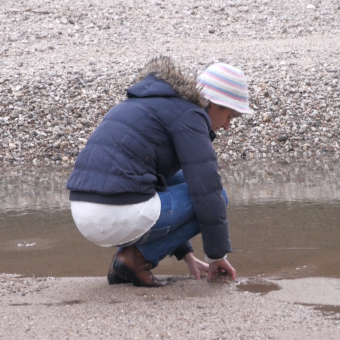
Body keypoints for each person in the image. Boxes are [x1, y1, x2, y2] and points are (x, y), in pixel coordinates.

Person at [66, 56, 252, 287]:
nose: (227, 126)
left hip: (82, 212)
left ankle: (128, 262)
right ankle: (132, 260)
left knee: (182, 179)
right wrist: (217, 257)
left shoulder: (147, 103)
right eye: (230, 116)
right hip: (114, 214)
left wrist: (187, 254)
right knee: (215, 195)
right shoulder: (191, 115)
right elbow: (207, 193)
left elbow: (162, 182)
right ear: (213, 103)